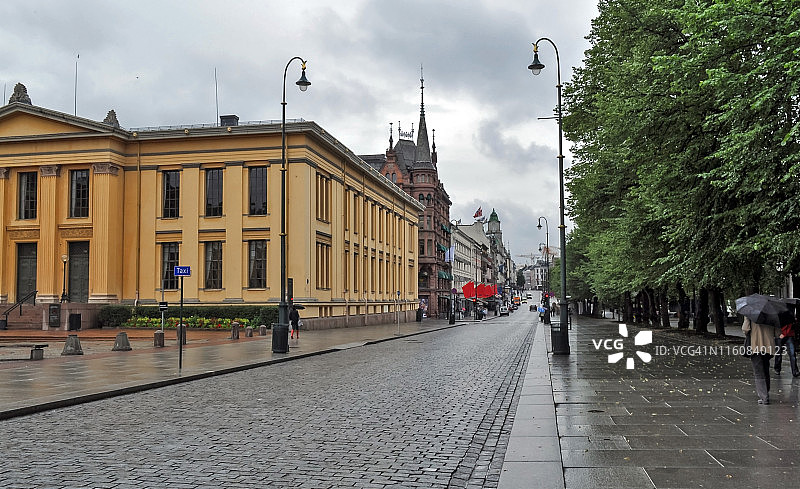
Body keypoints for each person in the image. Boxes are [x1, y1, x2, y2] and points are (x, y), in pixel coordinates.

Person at [742, 316, 779, 404]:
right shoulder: (772, 313)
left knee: (758, 372)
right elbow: (777, 333)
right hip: (768, 346)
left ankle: (764, 397)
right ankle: (766, 393)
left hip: (756, 345)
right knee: (766, 369)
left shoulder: (750, 313)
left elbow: (745, 329)